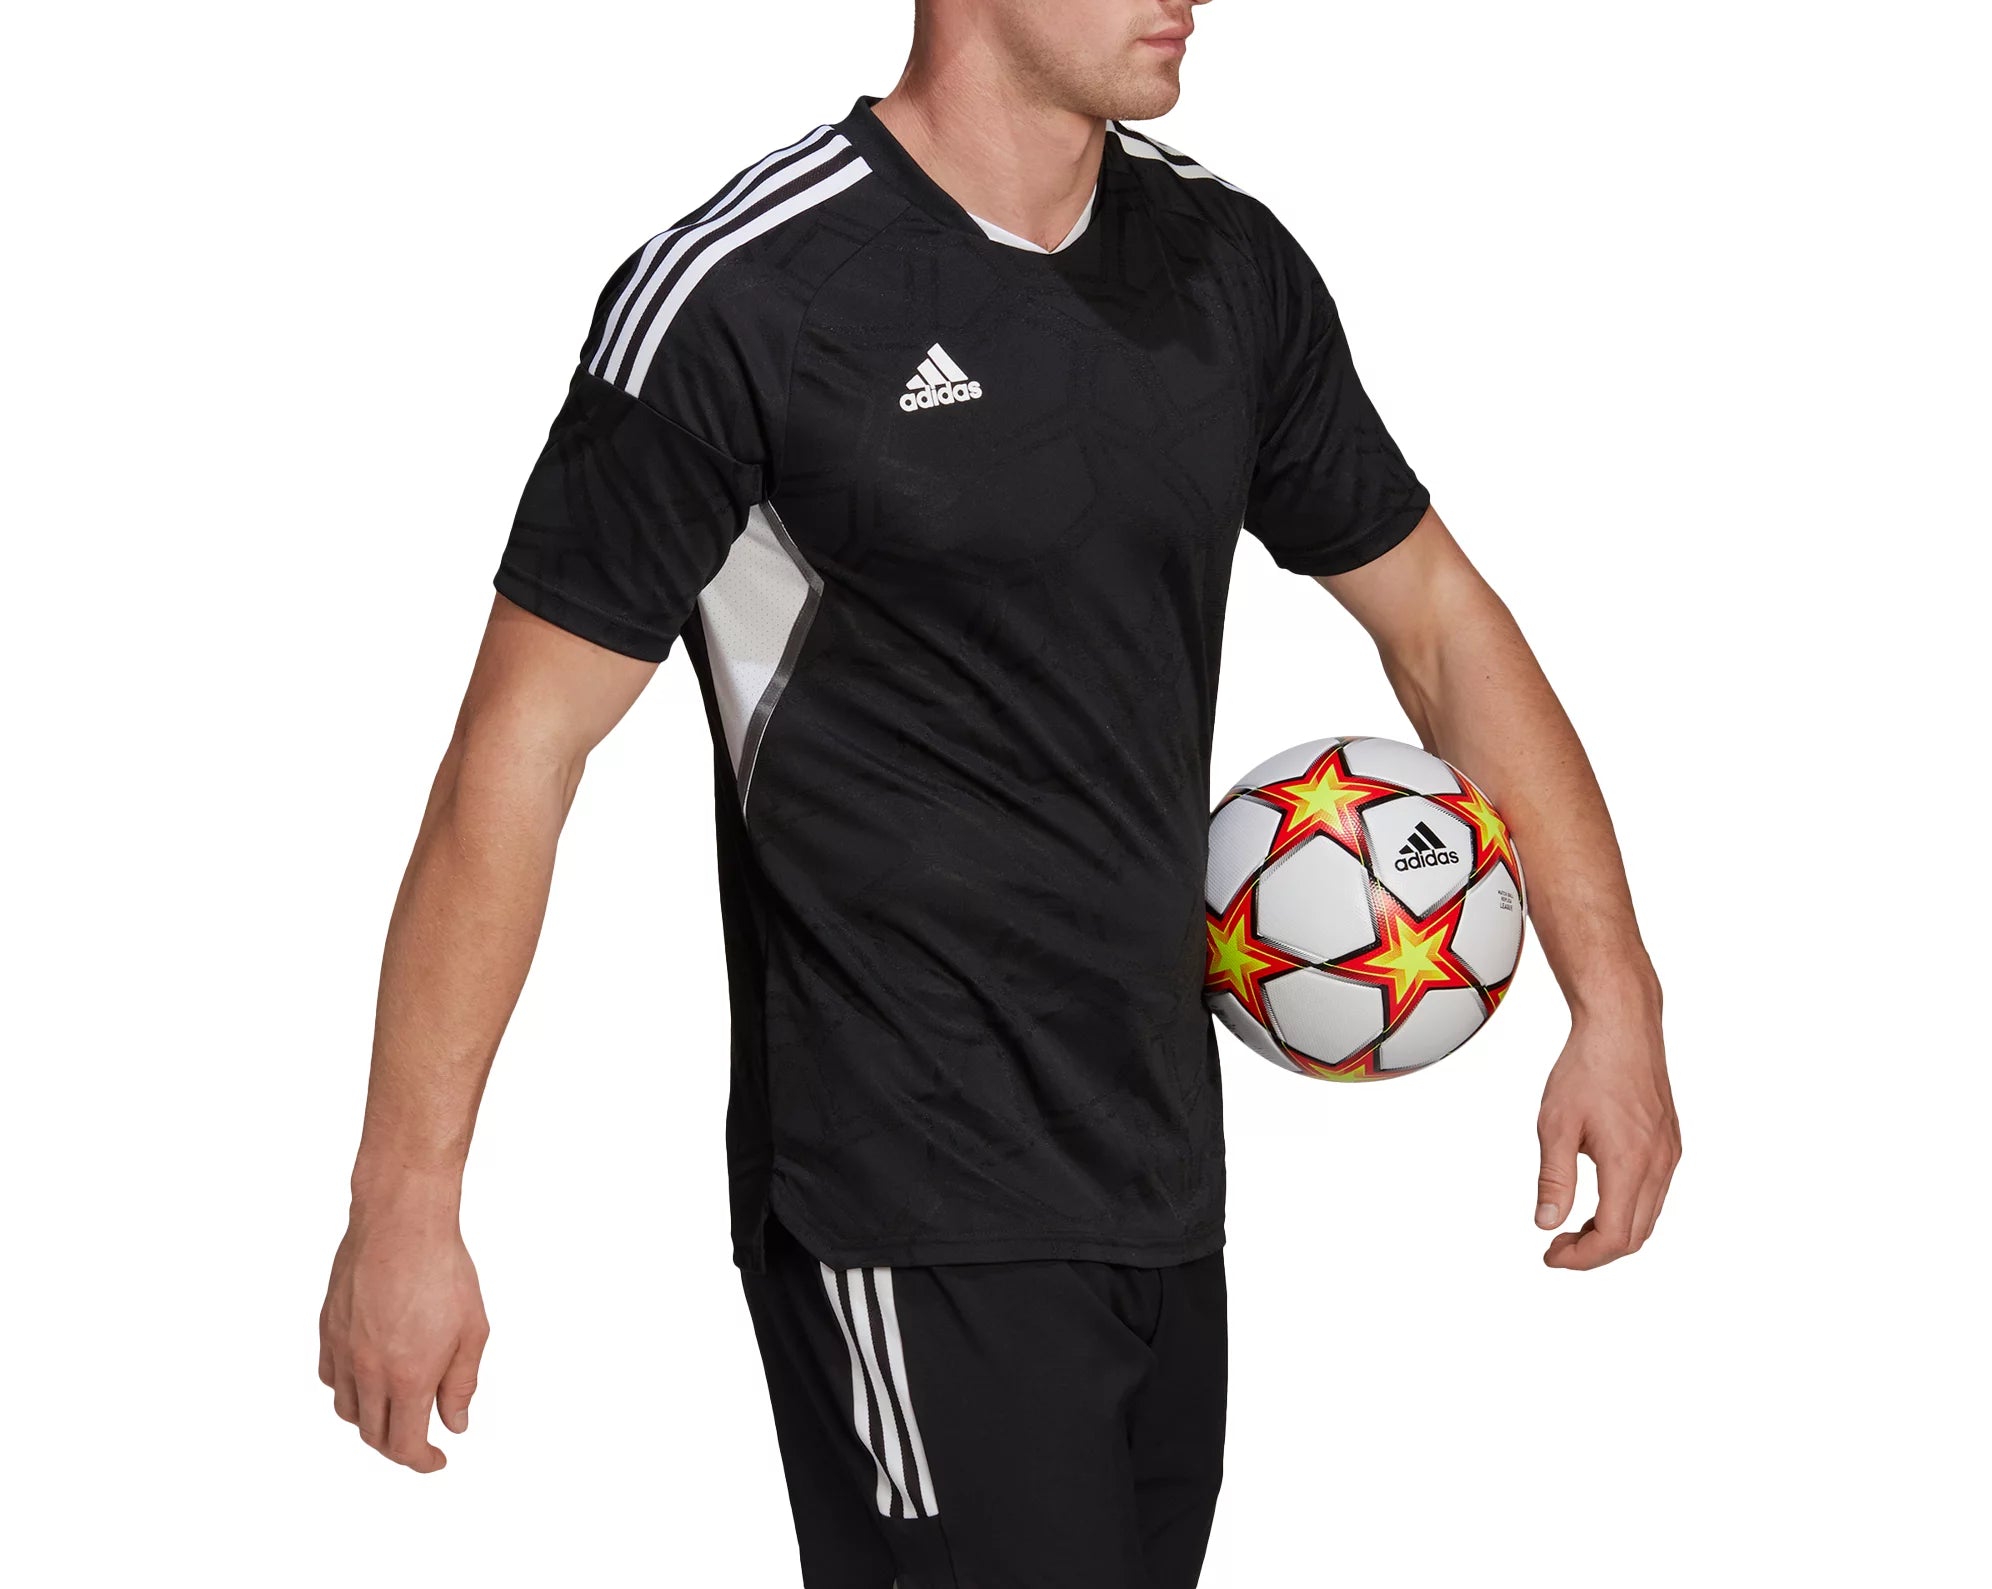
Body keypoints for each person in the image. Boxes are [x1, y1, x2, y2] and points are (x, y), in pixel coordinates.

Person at [318, 1, 1680, 1583]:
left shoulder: (1224, 270)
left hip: (1160, 1189)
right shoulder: (747, 293)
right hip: (903, 1195)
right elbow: (515, 755)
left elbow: (1438, 621)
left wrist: (1619, 999)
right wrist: (405, 1199)